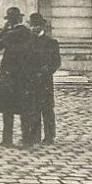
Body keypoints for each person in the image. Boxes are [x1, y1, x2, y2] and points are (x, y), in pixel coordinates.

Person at [0, 6, 41, 147]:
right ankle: (27, 139)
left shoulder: (12, 33)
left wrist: (4, 31)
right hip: (24, 75)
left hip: (11, 75)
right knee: (24, 108)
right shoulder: (28, 33)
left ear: (11, 21)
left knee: (8, 109)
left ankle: (8, 140)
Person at [29, 12, 61, 145]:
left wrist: (46, 71)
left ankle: (49, 136)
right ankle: (34, 136)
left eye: (37, 25)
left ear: (42, 27)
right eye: (32, 25)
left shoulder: (51, 43)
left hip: (45, 81)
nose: (34, 28)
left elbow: (56, 62)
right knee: (33, 108)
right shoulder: (27, 43)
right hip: (31, 80)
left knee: (47, 108)